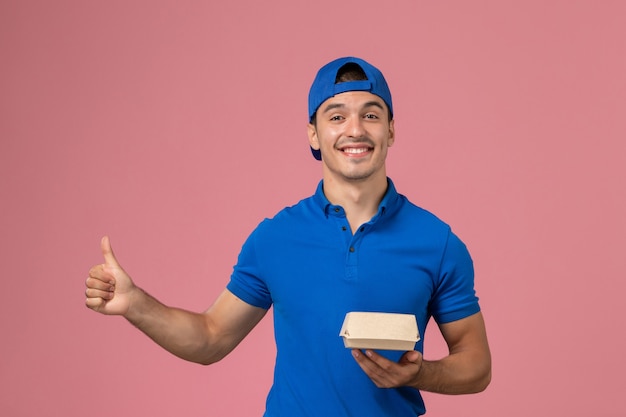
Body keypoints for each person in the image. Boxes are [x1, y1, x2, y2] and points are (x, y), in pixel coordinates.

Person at [85, 56, 491, 416]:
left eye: (371, 114)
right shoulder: (275, 238)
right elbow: (211, 337)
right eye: (335, 116)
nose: (355, 129)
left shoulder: (437, 243)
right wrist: (136, 304)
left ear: (391, 130)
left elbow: (476, 365)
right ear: (313, 134)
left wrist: (422, 373)